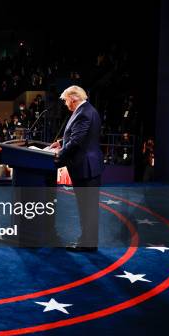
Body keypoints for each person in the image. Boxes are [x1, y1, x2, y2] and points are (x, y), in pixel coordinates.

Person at [49, 85, 103, 252]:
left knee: (87, 207)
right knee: (87, 206)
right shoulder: (87, 110)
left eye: (66, 100)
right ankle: (88, 241)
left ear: (73, 98)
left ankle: (87, 243)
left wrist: (59, 155)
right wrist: (61, 143)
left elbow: (77, 141)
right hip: (87, 165)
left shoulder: (84, 112)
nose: (66, 104)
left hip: (85, 166)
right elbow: (77, 137)